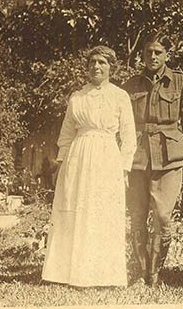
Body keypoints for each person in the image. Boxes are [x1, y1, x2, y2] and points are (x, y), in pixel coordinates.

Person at [42, 46, 136, 287]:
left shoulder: (119, 96)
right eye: (93, 62)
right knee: (73, 208)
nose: (96, 66)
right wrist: (62, 165)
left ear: (111, 67)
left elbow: (129, 137)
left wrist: (124, 168)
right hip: (79, 156)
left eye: (102, 62)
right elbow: (65, 134)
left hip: (107, 158)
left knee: (103, 211)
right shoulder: (77, 97)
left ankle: (104, 275)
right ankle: (65, 274)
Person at [122, 32, 183, 286]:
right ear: (142, 55)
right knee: (136, 215)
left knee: (163, 216)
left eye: (158, 52)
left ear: (167, 55)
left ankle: (155, 273)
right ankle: (139, 273)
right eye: (148, 52)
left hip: (170, 157)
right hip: (137, 156)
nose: (152, 56)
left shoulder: (180, 82)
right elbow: (120, 123)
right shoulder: (131, 85)